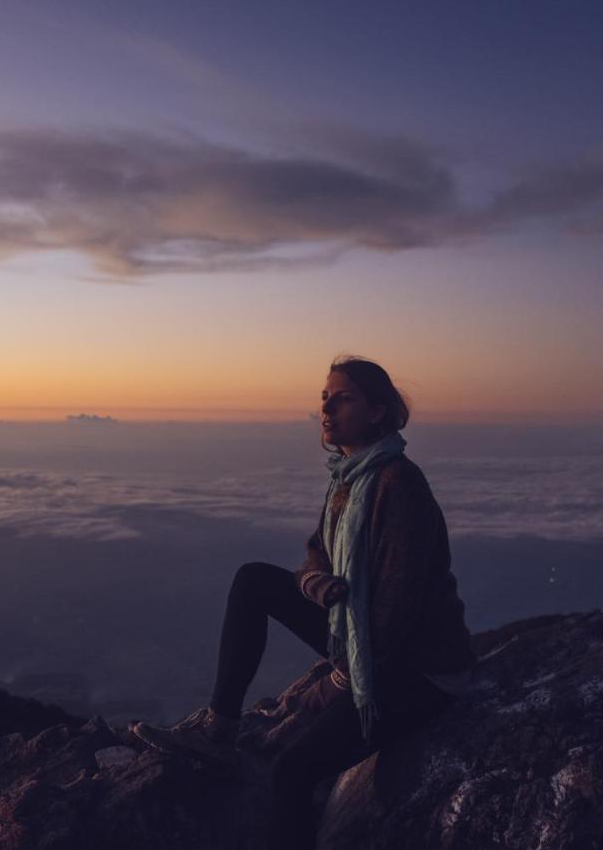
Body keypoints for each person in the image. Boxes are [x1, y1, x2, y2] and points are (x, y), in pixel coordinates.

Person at [131, 354, 478, 850]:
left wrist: (335, 682)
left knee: (289, 771)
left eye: (343, 398)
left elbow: (397, 615)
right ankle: (220, 728)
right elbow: (316, 554)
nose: (327, 409)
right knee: (253, 580)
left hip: (416, 669)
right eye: (324, 399)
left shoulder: (398, 485)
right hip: (358, 632)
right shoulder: (348, 477)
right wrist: (315, 584)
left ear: (378, 412)